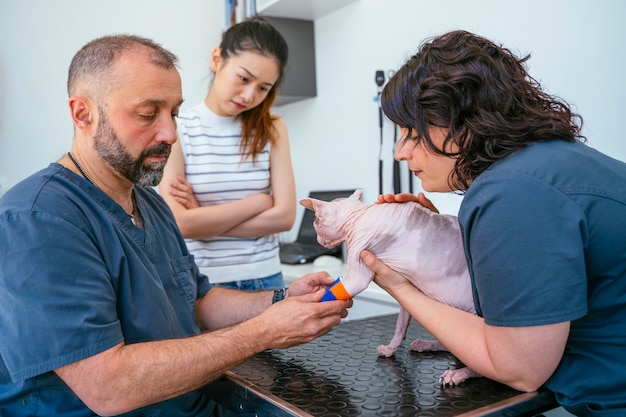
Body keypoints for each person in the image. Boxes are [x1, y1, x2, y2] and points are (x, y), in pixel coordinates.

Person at [0, 34, 350, 416]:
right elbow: (108, 388)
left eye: (175, 114)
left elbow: (197, 302)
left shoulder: (150, 203)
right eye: (148, 114)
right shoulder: (37, 220)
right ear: (84, 114)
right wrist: (265, 330)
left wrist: (283, 300)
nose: (170, 134)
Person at [360, 30, 626, 416]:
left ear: (463, 122)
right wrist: (442, 240)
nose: (401, 152)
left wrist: (399, 285)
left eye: (412, 133)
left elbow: (520, 368)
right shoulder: (548, 163)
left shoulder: (510, 193)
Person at [158, 17, 295, 291]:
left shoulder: (273, 129)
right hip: (204, 284)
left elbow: (284, 217)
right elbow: (181, 223)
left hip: (266, 278)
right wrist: (257, 202)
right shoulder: (178, 129)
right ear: (217, 59)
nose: (248, 95)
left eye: (263, 88)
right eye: (244, 78)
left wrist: (203, 217)